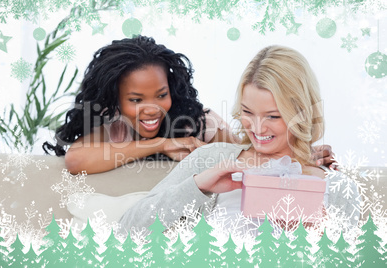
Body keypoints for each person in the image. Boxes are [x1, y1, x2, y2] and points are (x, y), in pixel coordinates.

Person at [119, 45, 359, 230]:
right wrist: (198, 186)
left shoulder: (338, 187)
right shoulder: (213, 159)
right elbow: (127, 228)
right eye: (247, 112)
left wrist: (316, 231)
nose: (257, 128)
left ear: (301, 114)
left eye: (273, 116)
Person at [43, 36, 334, 174]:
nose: (152, 109)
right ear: (115, 99)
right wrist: (161, 144)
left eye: (161, 95)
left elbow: (251, 154)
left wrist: (300, 155)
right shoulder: (111, 126)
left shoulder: (201, 124)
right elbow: (76, 160)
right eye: (135, 100)